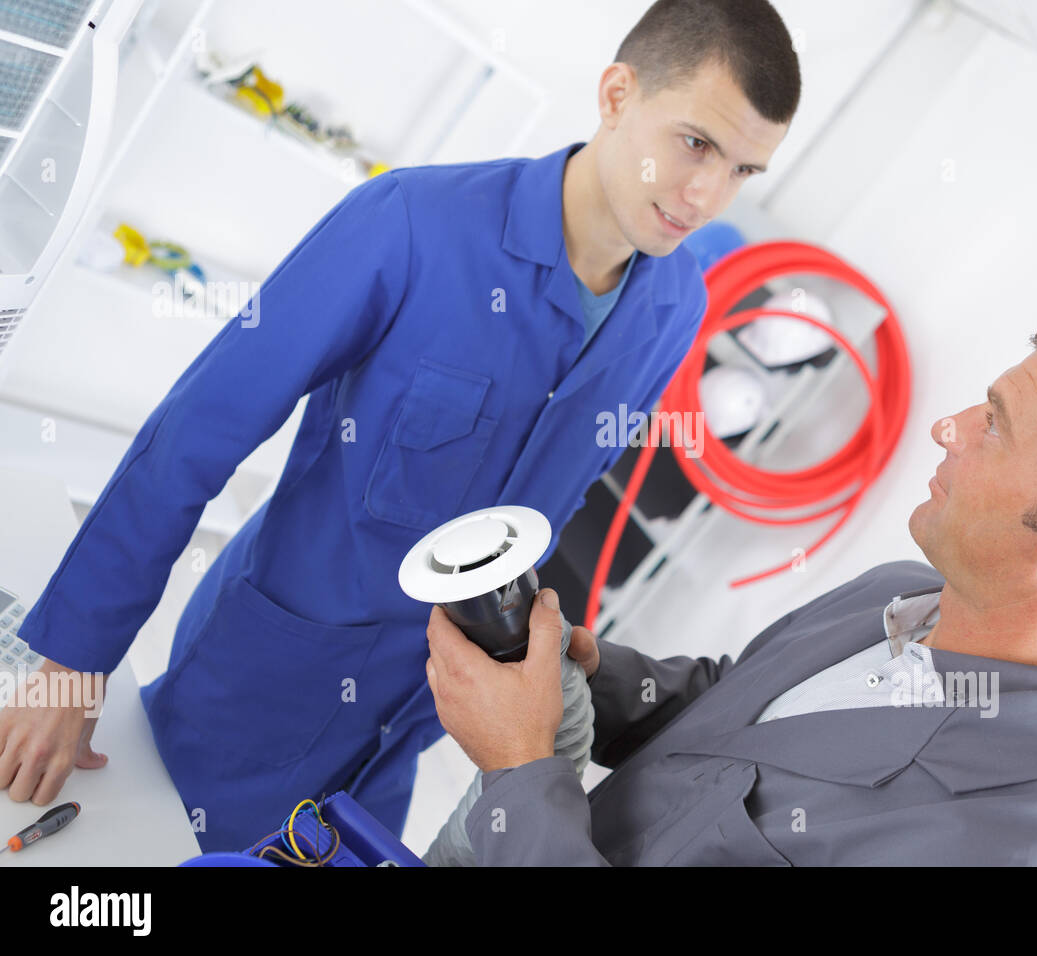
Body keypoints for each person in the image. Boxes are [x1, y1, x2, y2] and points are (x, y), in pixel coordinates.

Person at [2, 0, 800, 852]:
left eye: (744, 171)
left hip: (408, 731)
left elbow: (541, 512)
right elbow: (200, 429)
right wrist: (75, 664)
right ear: (615, 94)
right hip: (258, 690)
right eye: (695, 143)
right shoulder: (412, 224)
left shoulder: (675, 307)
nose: (707, 195)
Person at [423, 313, 1037, 865]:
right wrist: (584, 672)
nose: (948, 429)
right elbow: (728, 716)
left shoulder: (997, 848)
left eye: (997, 427)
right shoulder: (905, 595)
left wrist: (522, 768)